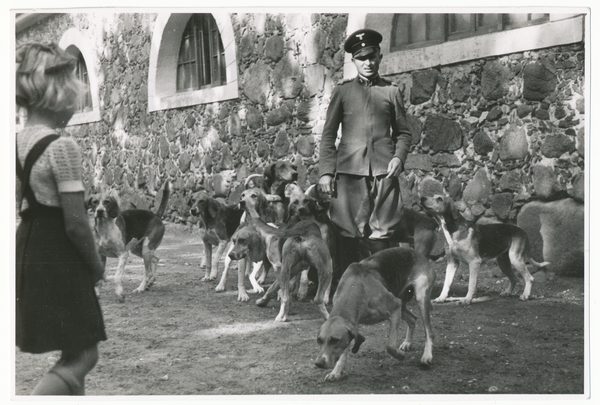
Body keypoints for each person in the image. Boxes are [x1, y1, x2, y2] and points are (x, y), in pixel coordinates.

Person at [15, 42, 107, 395]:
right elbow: (75, 221)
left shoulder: (18, 142)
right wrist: (95, 264)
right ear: (57, 94)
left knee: (73, 347)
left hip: (29, 247)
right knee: (84, 353)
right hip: (59, 252)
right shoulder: (62, 147)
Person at [318, 29, 413, 271]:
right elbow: (328, 135)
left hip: (384, 171)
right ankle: (347, 287)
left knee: (384, 230)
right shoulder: (343, 92)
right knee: (347, 230)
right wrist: (326, 172)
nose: (368, 63)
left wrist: (398, 158)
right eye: (362, 58)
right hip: (350, 172)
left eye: (372, 56)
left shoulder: (391, 92)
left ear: (380, 56)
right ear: (354, 61)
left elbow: (403, 133)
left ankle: (384, 285)